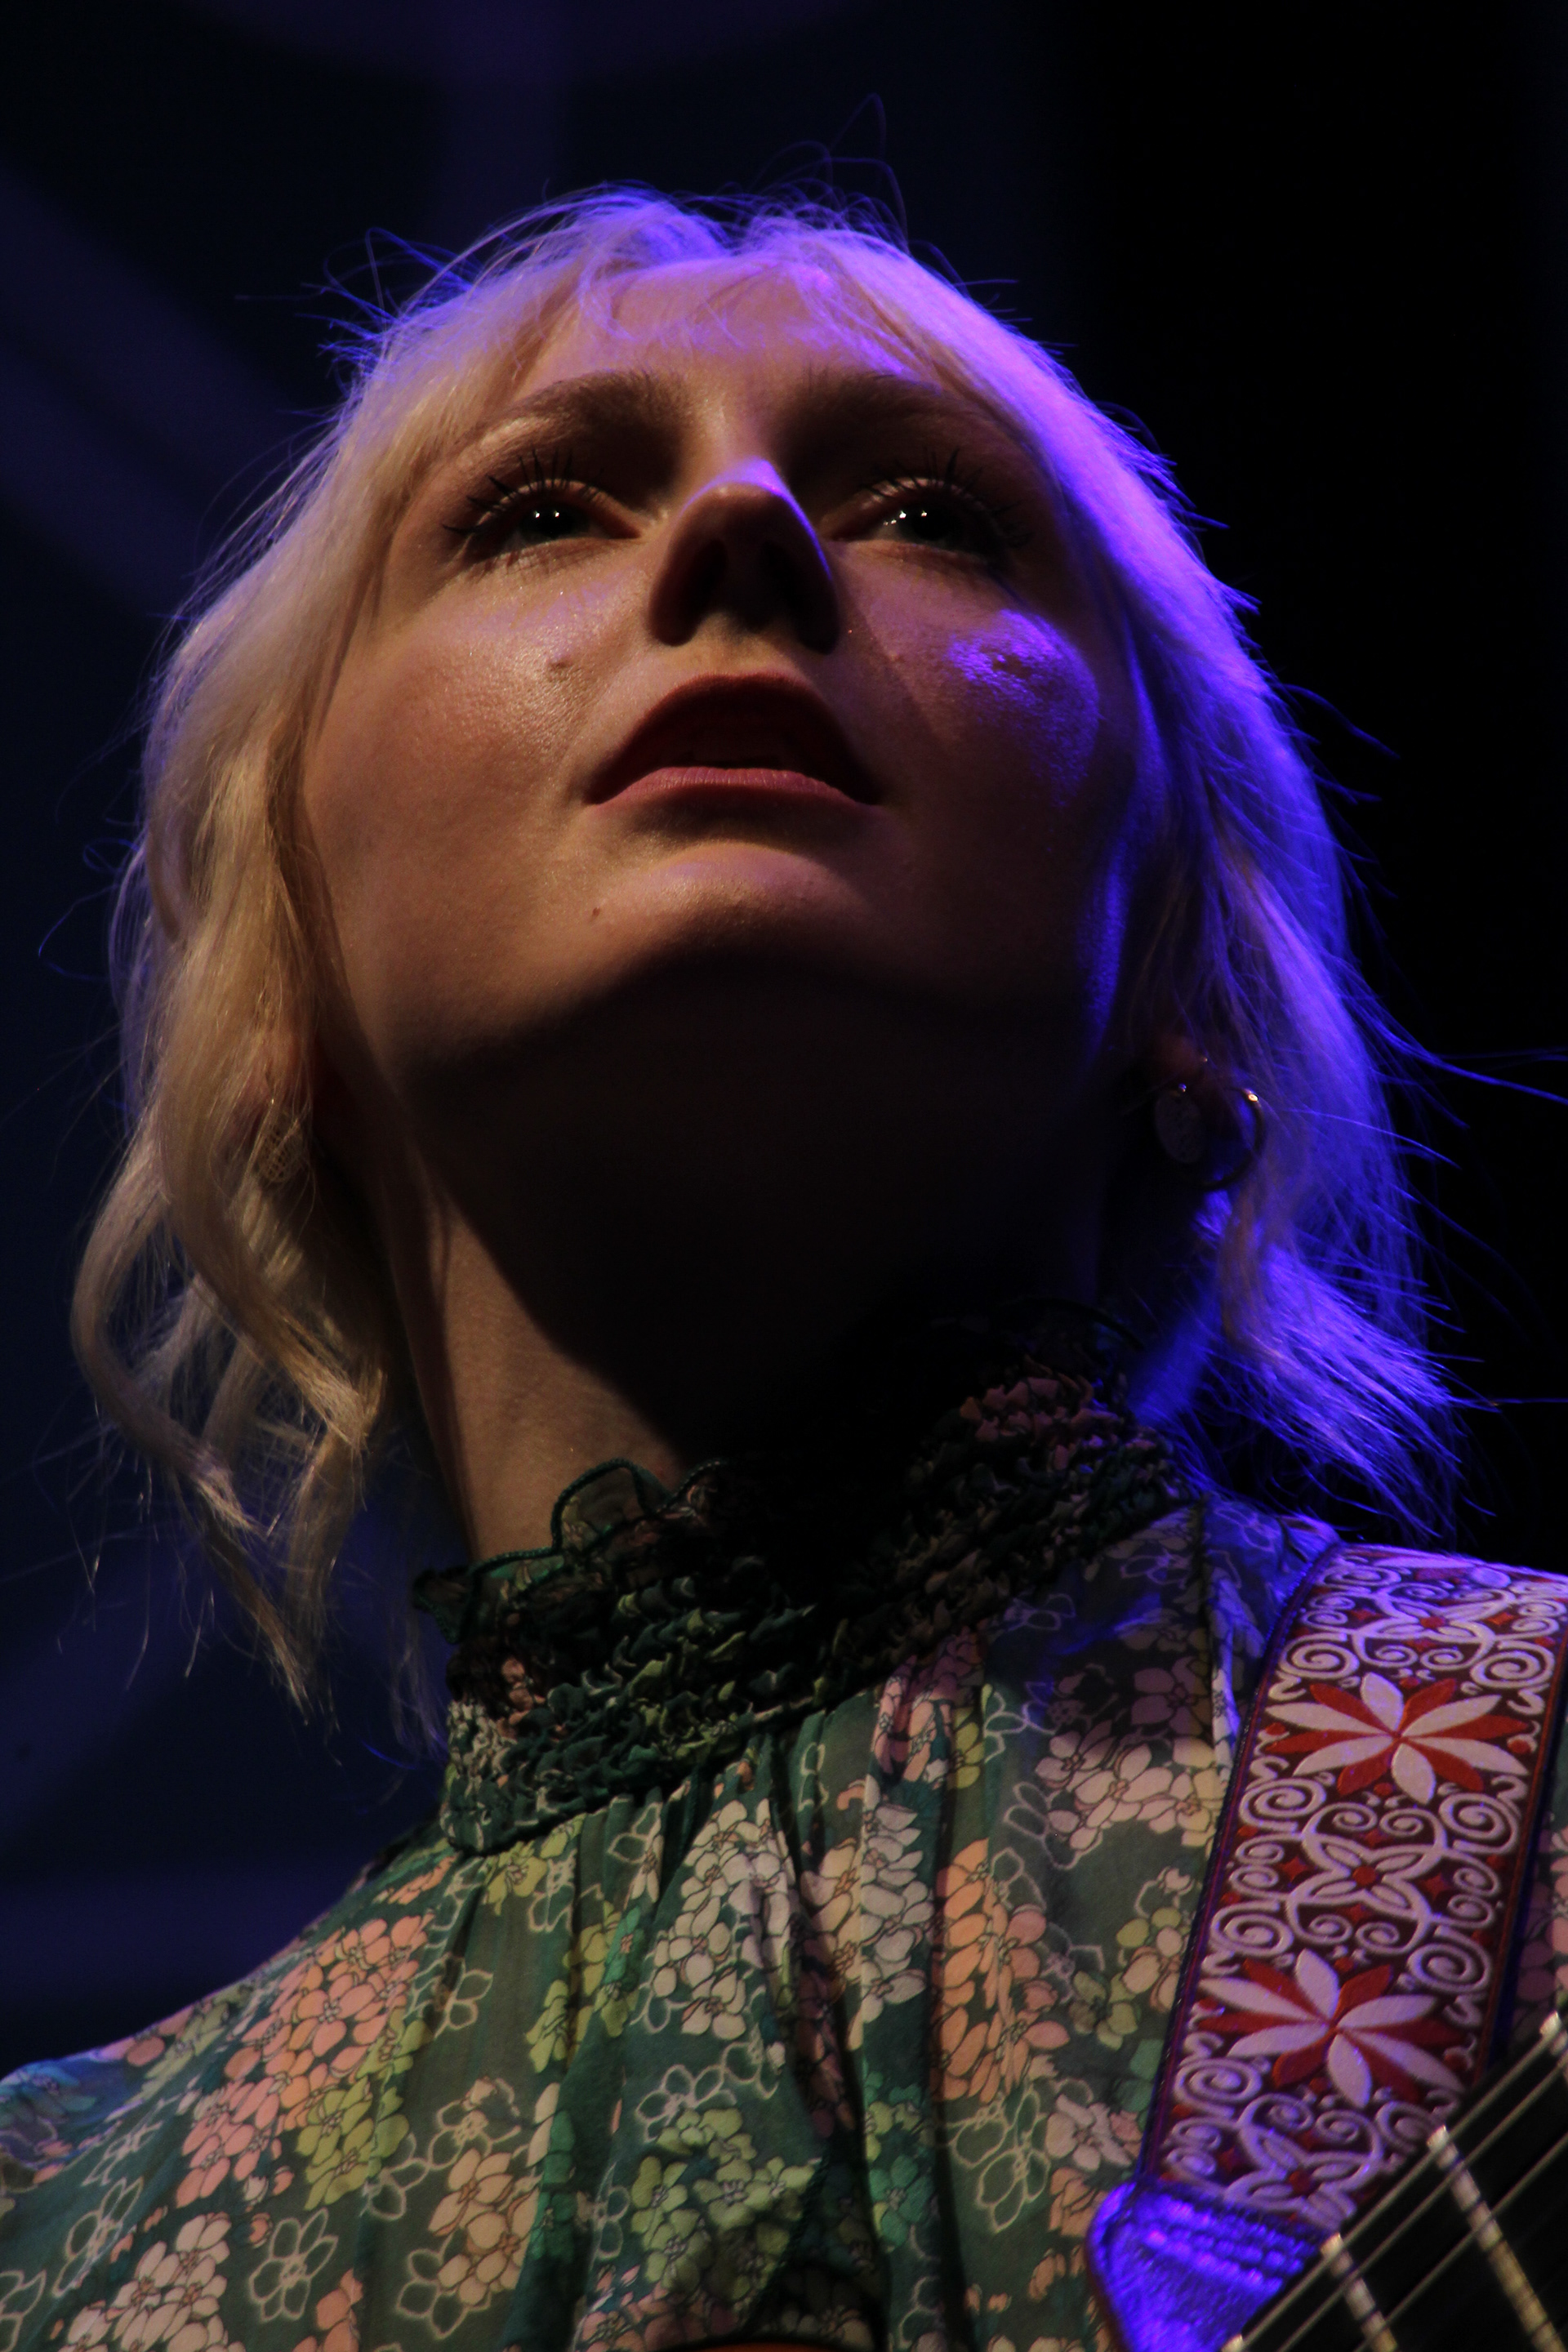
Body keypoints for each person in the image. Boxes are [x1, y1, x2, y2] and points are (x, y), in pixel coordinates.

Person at [1, 189, 1562, 2352]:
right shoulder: (53, 2248)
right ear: (285, 1002)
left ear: (1193, 979)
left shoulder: (1531, 1803)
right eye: (538, 511)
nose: (744, 528)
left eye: (932, 514)